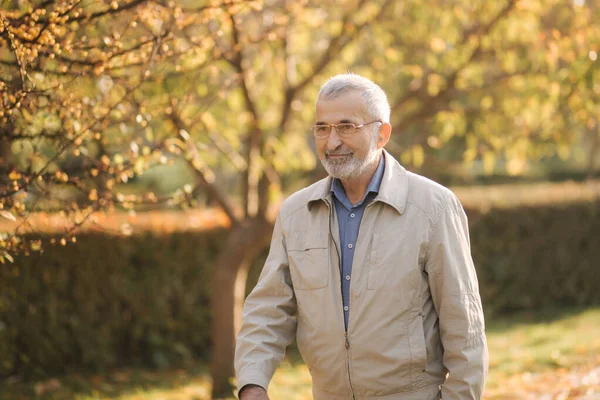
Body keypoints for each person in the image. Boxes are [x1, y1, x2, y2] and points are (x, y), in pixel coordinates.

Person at [234, 73, 488, 400]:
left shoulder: (434, 208)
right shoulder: (295, 213)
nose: (332, 142)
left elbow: (465, 331)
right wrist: (252, 385)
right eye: (322, 128)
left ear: (381, 134)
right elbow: (268, 311)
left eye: (346, 127)